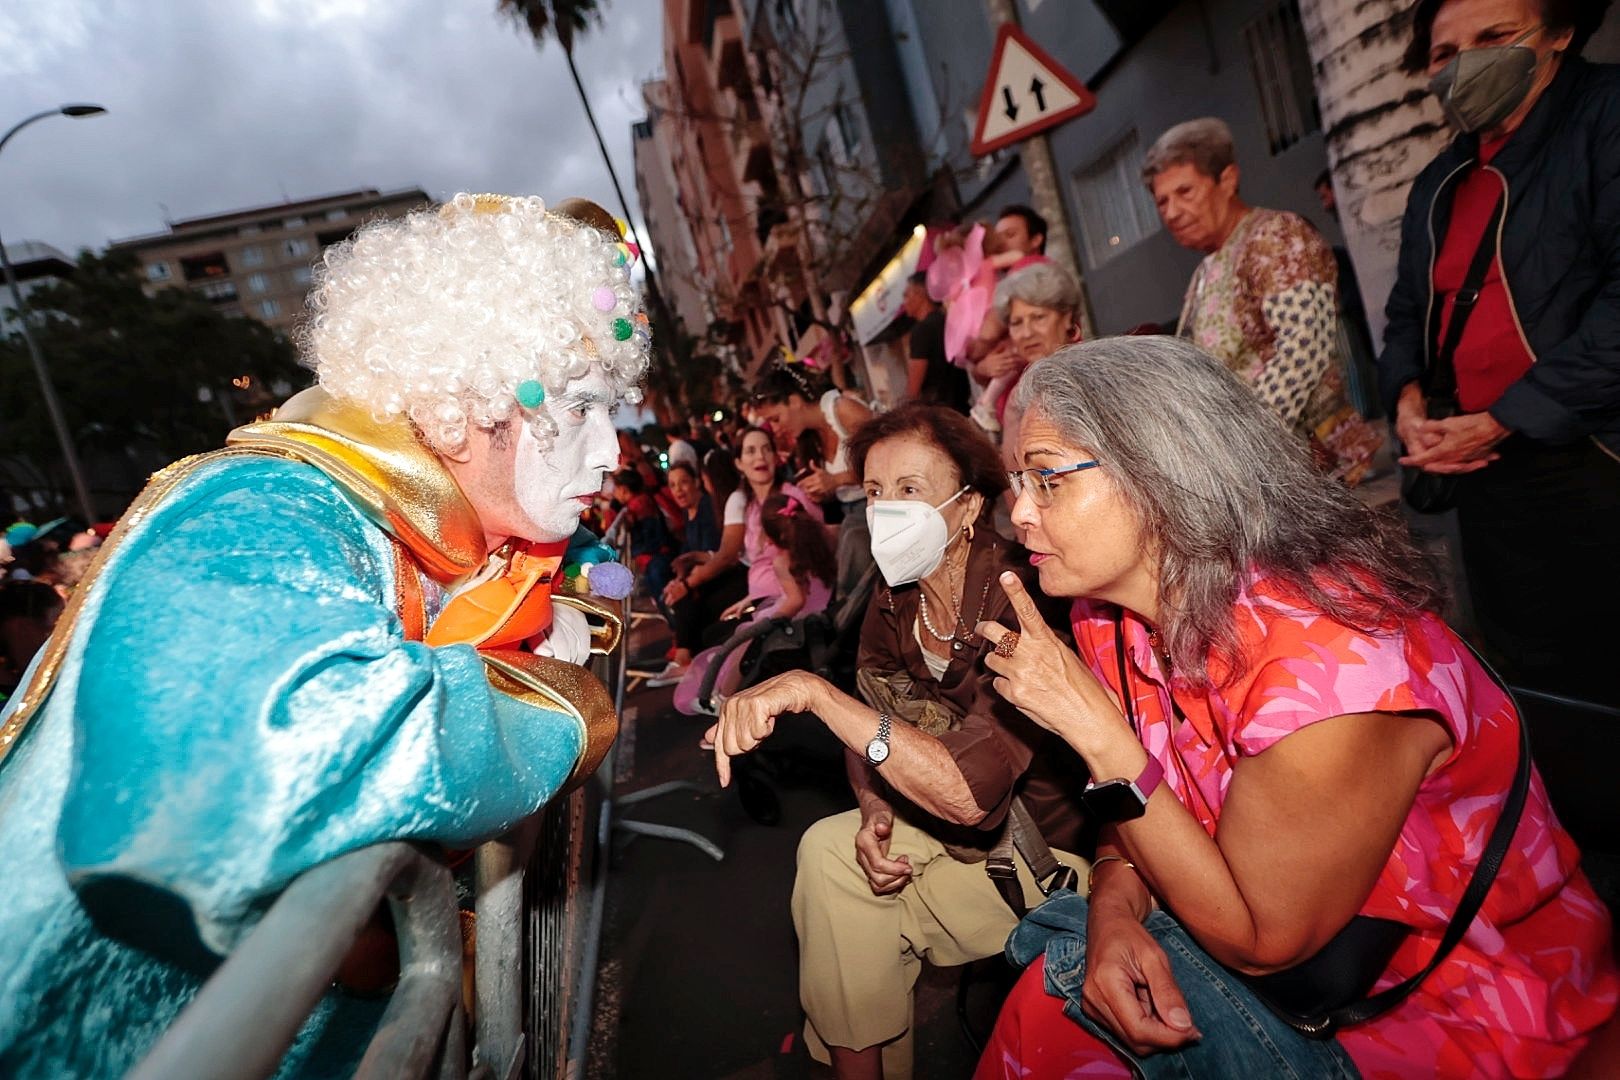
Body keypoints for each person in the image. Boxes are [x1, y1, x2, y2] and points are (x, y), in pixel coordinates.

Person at [0, 193, 648, 1076]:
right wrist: (556, 704)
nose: (611, 450)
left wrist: (592, 608)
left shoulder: (450, 530)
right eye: (578, 410)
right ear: (463, 400)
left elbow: (582, 583)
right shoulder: (267, 506)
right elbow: (274, 754)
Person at [966, 336, 1615, 1079]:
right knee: (1060, 990)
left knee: (1049, 1016)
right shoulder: (1107, 619)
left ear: (1162, 472)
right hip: (1287, 970)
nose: (1017, 513)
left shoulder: (1335, 666)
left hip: (1455, 1012)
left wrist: (1095, 732)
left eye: (1046, 480)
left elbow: (1261, 940)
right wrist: (1115, 913)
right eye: (1017, 480)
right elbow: (1145, 813)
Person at [705, 404, 1091, 1080]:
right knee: (831, 852)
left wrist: (816, 694)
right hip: (943, 833)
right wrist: (875, 809)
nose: (886, 512)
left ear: (969, 506)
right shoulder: (896, 599)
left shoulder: (1019, 604)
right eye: (876, 493)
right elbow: (873, 725)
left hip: (1046, 862)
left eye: (910, 491)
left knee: (856, 917)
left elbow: (970, 795)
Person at [1381, 0, 1619, 705]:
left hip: (1597, 456)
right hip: (1488, 476)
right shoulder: (1439, 184)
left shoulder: (1605, 118)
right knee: (1547, 688)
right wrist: (1407, 398)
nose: (1466, 65)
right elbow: (1405, 314)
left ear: (1561, 32)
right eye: (1443, 53)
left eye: (1495, 37)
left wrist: (1511, 413)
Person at [1146, 117, 1382, 485]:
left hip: (1308, 469)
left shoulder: (1276, 236)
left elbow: (1304, 350)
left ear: (1227, 180)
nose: (1172, 212)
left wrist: (1241, 446)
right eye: (1162, 201)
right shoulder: (1205, 271)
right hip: (1255, 475)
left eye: (1185, 192)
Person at [672, 427, 826, 714]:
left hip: (795, 594)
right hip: (763, 595)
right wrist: (747, 600)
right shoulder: (749, 506)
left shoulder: (792, 498)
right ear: (739, 463)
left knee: (741, 641)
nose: (760, 456)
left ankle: (726, 706)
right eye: (751, 451)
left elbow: (813, 551)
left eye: (766, 448)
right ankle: (724, 702)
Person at [749, 363, 873, 591]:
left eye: (776, 419)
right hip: (853, 518)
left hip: (882, 508)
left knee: (853, 543)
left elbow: (889, 461)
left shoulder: (843, 410)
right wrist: (820, 493)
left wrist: (837, 480)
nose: (775, 429)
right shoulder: (809, 439)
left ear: (794, 401)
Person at [651, 450, 748, 687]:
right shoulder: (689, 512)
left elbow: (723, 556)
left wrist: (686, 583)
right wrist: (683, 576)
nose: (679, 490)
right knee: (676, 592)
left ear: (699, 482)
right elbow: (697, 554)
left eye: (685, 482)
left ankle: (684, 659)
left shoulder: (712, 507)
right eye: (673, 485)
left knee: (685, 598)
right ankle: (686, 658)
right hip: (714, 573)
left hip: (732, 574)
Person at [985, 261, 1084, 439]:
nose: (1027, 333)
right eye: (1016, 323)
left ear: (1068, 318)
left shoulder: (1089, 377)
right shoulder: (1018, 391)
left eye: (1038, 318)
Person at [901, 271, 972, 414]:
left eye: (906, 295)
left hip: (942, 411)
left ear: (920, 293)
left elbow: (914, 384)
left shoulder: (921, 330)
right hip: (963, 404)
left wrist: (905, 412)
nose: (904, 302)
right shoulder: (948, 320)